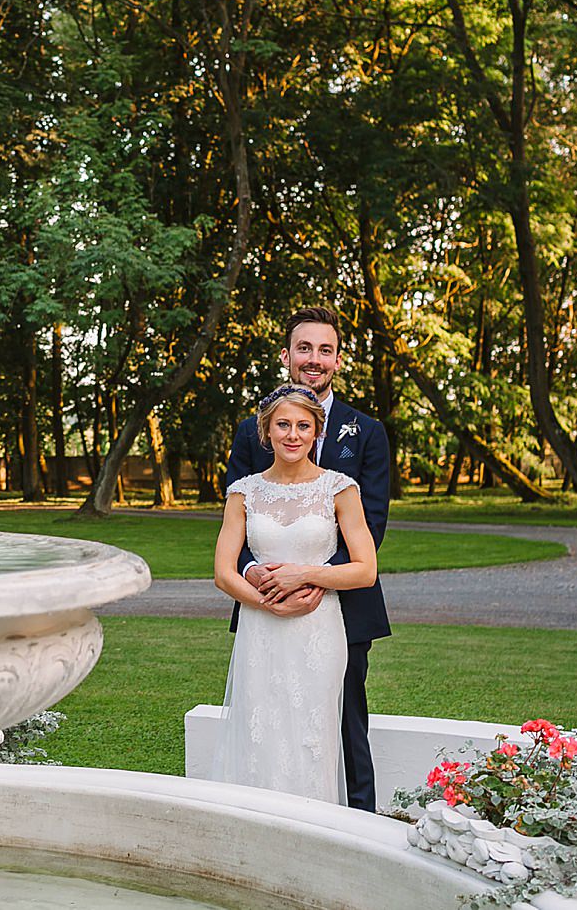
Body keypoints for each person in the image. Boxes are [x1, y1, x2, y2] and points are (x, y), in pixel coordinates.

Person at [224, 306, 391, 811]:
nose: (313, 359)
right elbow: (242, 515)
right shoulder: (254, 429)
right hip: (265, 599)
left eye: (324, 350)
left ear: (338, 360)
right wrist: (258, 575)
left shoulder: (366, 433)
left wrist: (312, 579)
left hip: (339, 605)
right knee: (267, 719)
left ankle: (361, 822)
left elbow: (372, 523)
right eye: (304, 348)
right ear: (287, 356)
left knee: (344, 718)